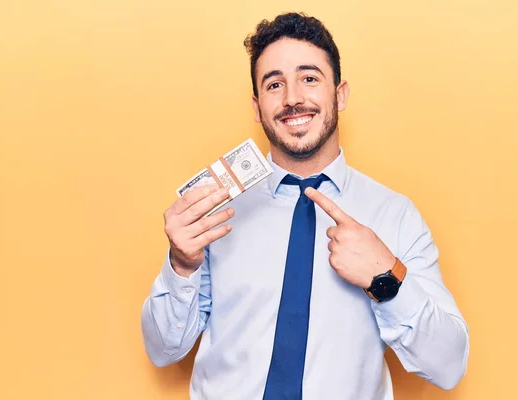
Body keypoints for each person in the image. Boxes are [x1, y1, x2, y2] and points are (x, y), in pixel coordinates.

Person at [141, 12, 469, 400]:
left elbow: (448, 367)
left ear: (340, 93)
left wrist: (386, 277)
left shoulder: (394, 215)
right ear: (257, 104)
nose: (293, 98)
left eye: (309, 78)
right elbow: (163, 352)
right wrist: (181, 265)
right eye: (274, 84)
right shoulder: (215, 211)